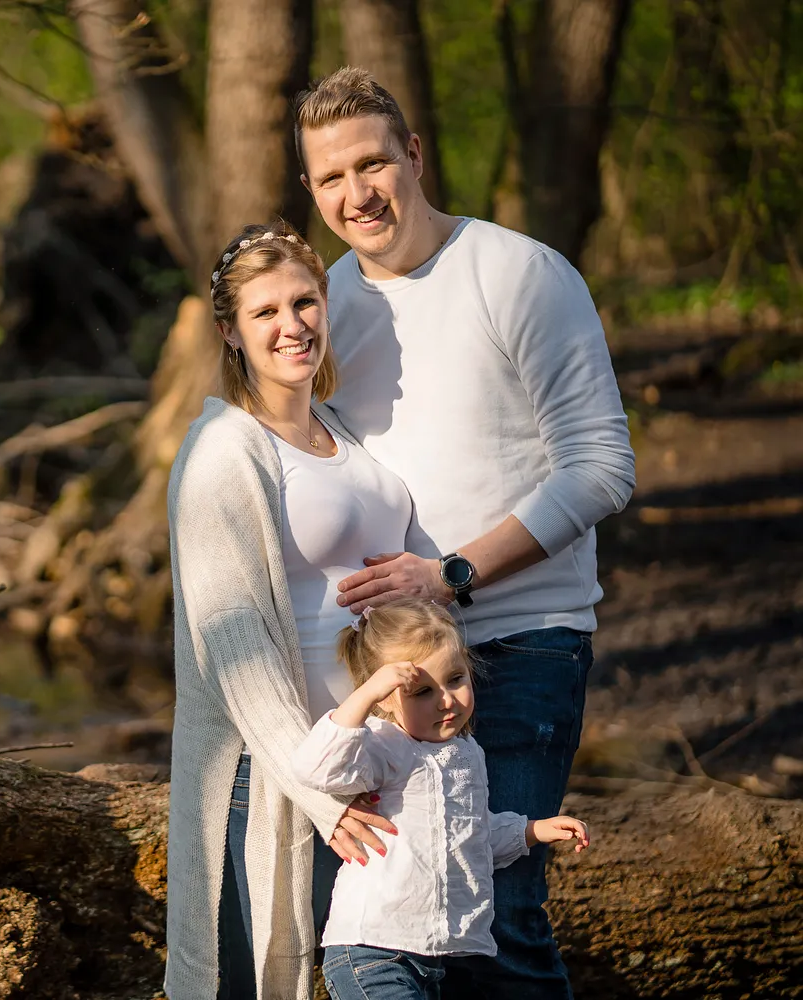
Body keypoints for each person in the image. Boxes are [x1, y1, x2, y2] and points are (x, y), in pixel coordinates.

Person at [291, 67, 636, 998]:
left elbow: (603, 468)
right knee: (385, 917)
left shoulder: (519, 273)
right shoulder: (319, 304)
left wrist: (451, 573)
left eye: (372, 164)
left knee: (504, 915)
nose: (356, 194)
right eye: (330, 179)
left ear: (414, 154)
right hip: (384, 660)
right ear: (311, 193)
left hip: (521, 641)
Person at [165, 218, 406, 1000]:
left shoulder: (340, 434)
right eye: (265, 312)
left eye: (304, 302)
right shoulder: (223, 455)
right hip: (275, 775)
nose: (291, 326)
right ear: (231, 332)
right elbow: (234, 646)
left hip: (375, 760)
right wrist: (317, 793)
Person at [291, 598, 590, 1000]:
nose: (446, 700)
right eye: (422, 692)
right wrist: (363, 697)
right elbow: (314, 768)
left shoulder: (467, 753)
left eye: (455, 679)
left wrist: (532, 830)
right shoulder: (383, 744)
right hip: (371, 949)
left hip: (429, 960)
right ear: (386, 700)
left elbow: (473, 837)